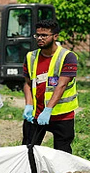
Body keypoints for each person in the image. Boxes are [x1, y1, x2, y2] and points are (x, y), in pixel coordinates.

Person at [22, 19, 78, 154]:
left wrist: (48, 110)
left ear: (55, 36)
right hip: (36, 113)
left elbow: (62, 84)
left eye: (44, 35)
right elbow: (28, 83)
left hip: (61, 115)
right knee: (27, 150)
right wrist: (29, 105)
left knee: (62, 152)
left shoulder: (67, 57)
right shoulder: (31, 57)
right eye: (37, 35)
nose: (40, 38)